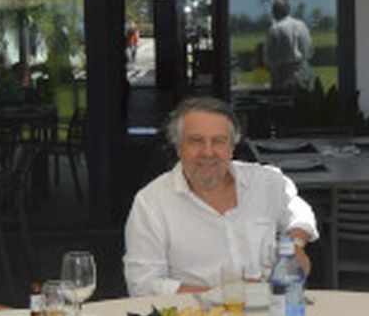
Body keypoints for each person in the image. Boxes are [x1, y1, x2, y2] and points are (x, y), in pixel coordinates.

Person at [124, 96, 318, 296]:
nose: (208, 152)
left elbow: (299, 211)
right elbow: (142, 284)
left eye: (218, 141)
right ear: (178, 147)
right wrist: (225, 295)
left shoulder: (265, 182)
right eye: (196, 141)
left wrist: (296, 246)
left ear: (231, 148)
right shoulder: (151, 203)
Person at [264, 0, 314, 90]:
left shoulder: (275, 28)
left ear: (275, 12)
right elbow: (310, 48)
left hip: (283, 70)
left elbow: (268, 54)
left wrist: (271, 69)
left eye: (273, 11)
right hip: (303, 67)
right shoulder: (301, 24)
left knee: (283, 100)